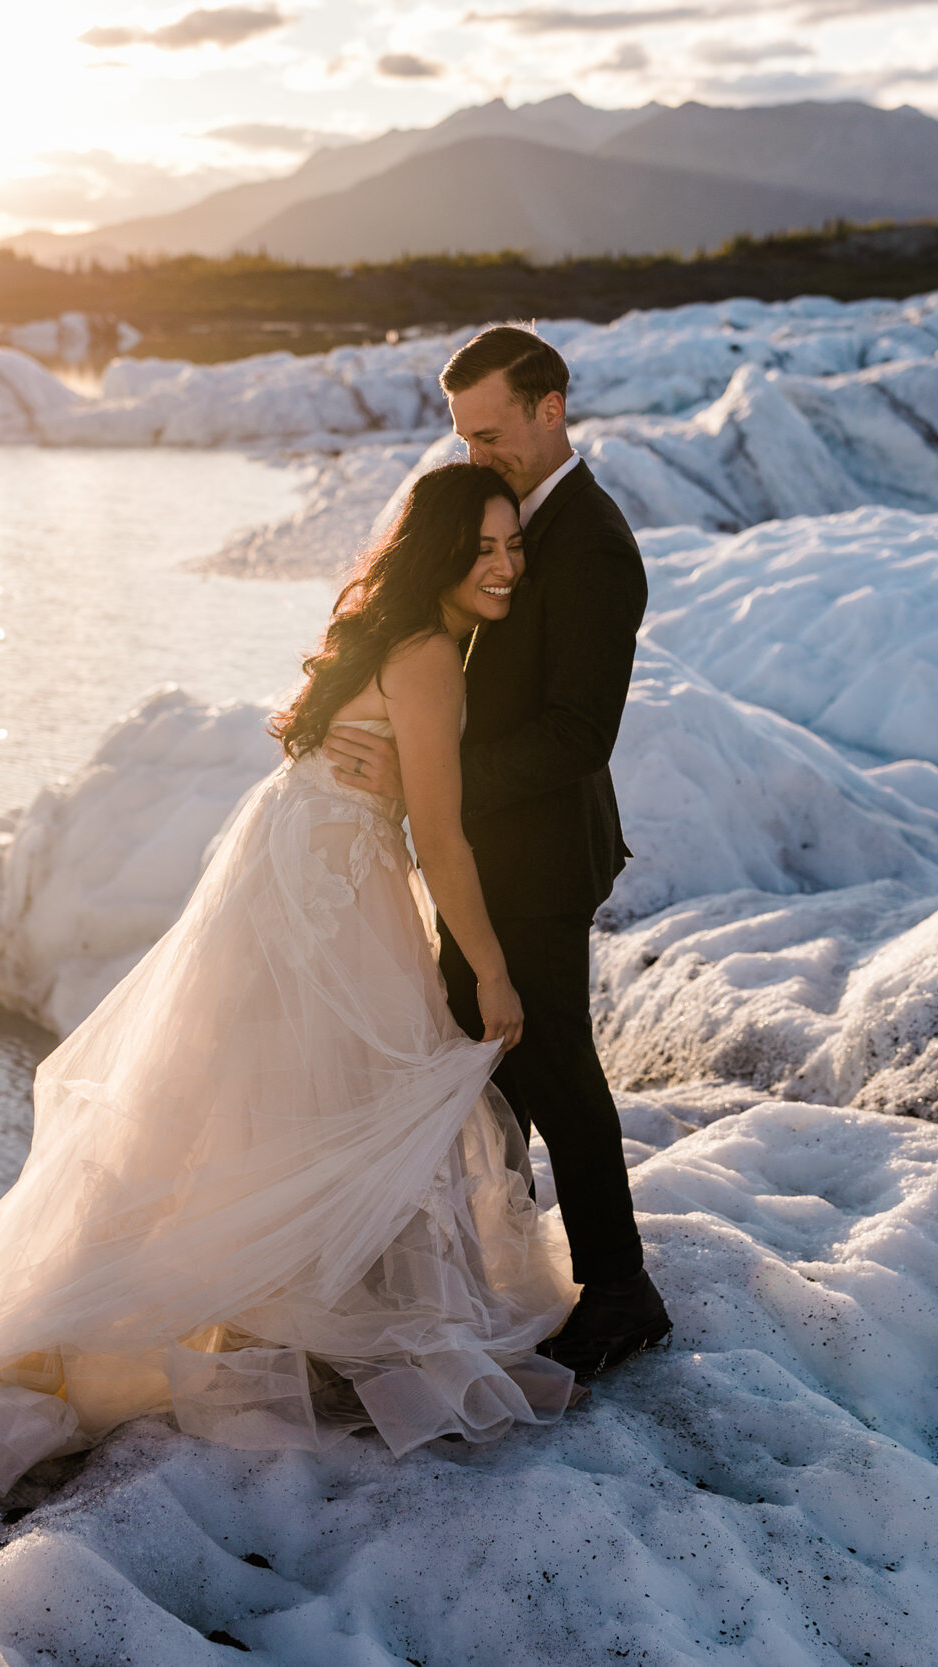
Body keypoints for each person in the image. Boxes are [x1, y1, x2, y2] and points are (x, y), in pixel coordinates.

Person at [0, 464, 579, 1494]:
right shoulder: (431, 652)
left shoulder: (380, 631)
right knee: (363, 1084)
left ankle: (279, 1313)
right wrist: (491, 968)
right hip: (340, 880)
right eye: (482, 548)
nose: (505, 565)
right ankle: (326, 1327)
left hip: (293, 862)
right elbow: (435, 832)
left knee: (273, 1091)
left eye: (512, 545)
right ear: (438, 551)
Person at [324, 324, 672, 1380]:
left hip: (538, 855)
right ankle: (471, 1263)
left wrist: (432, 782)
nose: (477, 454)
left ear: (549, 407)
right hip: (488, 850)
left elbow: (577, 731)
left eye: (489, 432)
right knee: (476, 1066)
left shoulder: (593, 542)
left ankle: (619, 1289)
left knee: (551, 1061)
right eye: (463, 437)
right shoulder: (516, 517)